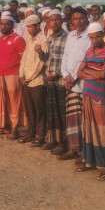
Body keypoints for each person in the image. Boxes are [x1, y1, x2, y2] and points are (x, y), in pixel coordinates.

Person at [75, 22, 105, 180]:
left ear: (103, 35)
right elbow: (79, 72)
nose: (94, 40)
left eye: (97, 37)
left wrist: (89, 72)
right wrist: (95, 73)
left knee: (102, 130)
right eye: (91, 37)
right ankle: (89, 161)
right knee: (88, 128)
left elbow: (104, 74)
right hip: (87, 94)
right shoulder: (90, 50)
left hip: (100, 96)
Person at [57, 8, 91, 161]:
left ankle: (85, 153)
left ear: (86, 19)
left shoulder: (90, 36)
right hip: (70, 84)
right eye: (75, 19)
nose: (79, 21)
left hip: (83, 85)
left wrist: (74, 78)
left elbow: (87, 60)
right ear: (71, 21)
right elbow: (65, 57)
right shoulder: (70, 35)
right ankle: (73, 148)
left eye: (81, 18)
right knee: (72, 118)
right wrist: (66, 76)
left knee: (84, 120)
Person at [0, 14, 26, 139]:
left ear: (12, 25)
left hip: (13, 74)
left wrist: (22, 75)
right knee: (3, 100)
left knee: (14, 101)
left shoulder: (18, 39)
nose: (4, 26)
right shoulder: (1, 39)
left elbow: (24, 59)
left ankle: (15, 128)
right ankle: (5, 125)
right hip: (1, 74)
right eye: (2, 24)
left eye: (7, 24)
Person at [18, 14, 48, 146]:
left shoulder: (43, 40)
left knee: (39, 109)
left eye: (30, 27)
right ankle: (31, 132)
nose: (29, 29)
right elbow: (24, 58)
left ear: (37, 26)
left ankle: (40, 135)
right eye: (27, 27)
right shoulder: (29, 39)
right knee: (29, 108)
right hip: (26, 80)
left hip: (37, 81)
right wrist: (21, 75)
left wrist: (29, 77)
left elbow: (41, 63)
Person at [42, 10, 68, 151]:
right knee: (52, 111)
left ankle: (63, 143)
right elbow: (48, 58)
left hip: (61, 81)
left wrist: (56, 73)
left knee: (62, 112)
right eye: (52, 20)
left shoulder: (67, 37)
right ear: (49, 22)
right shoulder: (50, 37)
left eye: (57, 19)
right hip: (50, 81)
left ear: (62, 21)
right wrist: (40, 53)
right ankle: (52, 139)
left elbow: (67, 60)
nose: (55, 22)